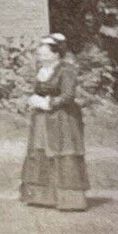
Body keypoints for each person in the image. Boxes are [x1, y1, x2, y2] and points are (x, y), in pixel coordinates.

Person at [20, 33, 89, 211]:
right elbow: (40, 90)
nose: (40, 57)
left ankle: (69, 199)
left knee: (62, 152)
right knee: (41, 151)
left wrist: (46, 103)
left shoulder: (67, 70)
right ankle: (44, 197)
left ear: (55, 54)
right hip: (42, 120)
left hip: (63, 118)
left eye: (43, 54)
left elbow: (67, 96)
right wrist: (33, 100)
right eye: (39, 55)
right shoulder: (42, 70)